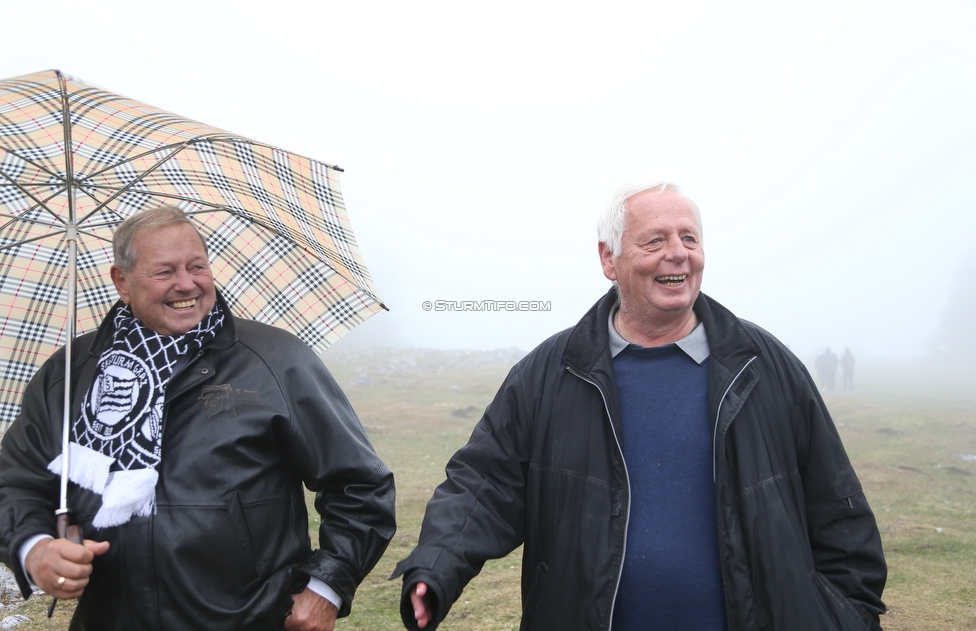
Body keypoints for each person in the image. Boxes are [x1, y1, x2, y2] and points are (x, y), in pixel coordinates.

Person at [392, 183, 886, 630]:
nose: (678, 255)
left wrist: (846, 615)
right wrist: (436, 568)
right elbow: (483, 485)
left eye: (689, 239)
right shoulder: (549, 373)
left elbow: (838, 509)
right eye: (655, 241)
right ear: (609, 259)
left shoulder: (765, 367)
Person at [0, 206, 396, 631]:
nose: (186, 284)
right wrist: (36, 549)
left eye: (197, 267)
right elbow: (14, 483)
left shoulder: (276, 361)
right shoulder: (70, 374)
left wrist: (326, 589)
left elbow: (360, 484)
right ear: (122, 282)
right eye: (165, 272)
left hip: (250, 620)